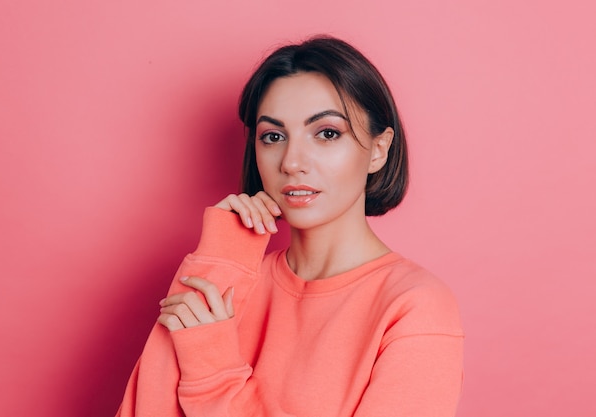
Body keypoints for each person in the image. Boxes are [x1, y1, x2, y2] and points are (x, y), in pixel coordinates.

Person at [116, 35, 464, 417]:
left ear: (378, 150)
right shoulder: (228, 276)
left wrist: (213, 373)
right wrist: (221, 257)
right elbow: (144, 407)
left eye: (327, 133)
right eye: (273, 137)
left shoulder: (415, 305)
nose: (292, 162)